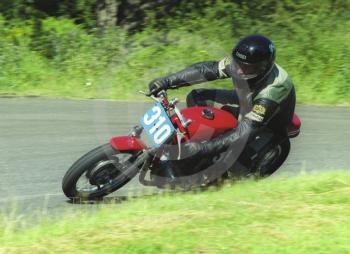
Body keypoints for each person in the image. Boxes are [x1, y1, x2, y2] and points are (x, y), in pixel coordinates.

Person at [148, 34, 296, 160]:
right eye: (238, 63)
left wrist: (204, 148)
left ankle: (206, 153)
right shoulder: (238, 64)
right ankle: (201, 141)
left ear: (263, 67)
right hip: (245, 99)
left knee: (236, 167)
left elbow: (246, 131)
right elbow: (204, 70)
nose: (238, 70)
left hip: (268, 122)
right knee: (198, 97)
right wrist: (166, 81)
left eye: (247, 68)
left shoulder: (274, 89)